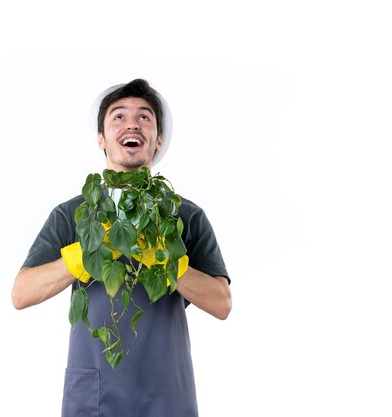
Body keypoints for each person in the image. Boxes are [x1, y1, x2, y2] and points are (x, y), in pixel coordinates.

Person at [12, 79, 232, 417]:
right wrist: (82, 257)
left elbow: (222, 303)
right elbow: (21, 294)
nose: (132, 124)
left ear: (158, 140)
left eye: (145, 117)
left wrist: (167, 262)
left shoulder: (184, 216)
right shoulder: (74, 215)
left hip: (166, 394)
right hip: (94, 394)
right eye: (118, 117)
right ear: (101, 138)